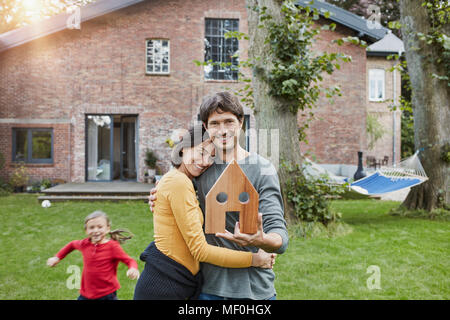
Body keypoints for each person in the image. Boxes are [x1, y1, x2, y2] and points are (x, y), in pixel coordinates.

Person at [149, 92, 289, 300]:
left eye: (229, 122)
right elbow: (178, 196)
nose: (222, 130)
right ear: (206, 127)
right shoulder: (200, 168)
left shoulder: (262, 169)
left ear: (241, 123)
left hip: (253, 290)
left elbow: (279, 234)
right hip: (206, 288)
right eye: (215, 123)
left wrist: (263, 239)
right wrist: (158, 195)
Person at [134, 124, 276, 300]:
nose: (205, 161)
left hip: (176, 282)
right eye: (201, 152)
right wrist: (255, 260)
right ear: (183, 148)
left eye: (212, 157)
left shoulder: (184, 181)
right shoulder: (178, 182)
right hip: (163, 286)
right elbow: (200, 250)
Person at [47, 210, 139, 300]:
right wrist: (57, 257)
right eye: (91, 227)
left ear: (107, 228)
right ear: (86, 230)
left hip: (106, 294)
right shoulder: (84, 244)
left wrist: (133, 268)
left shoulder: (112, 247)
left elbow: (129, 260)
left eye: (100, 227)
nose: (95, 230)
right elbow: (72, 245)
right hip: (86, 294)